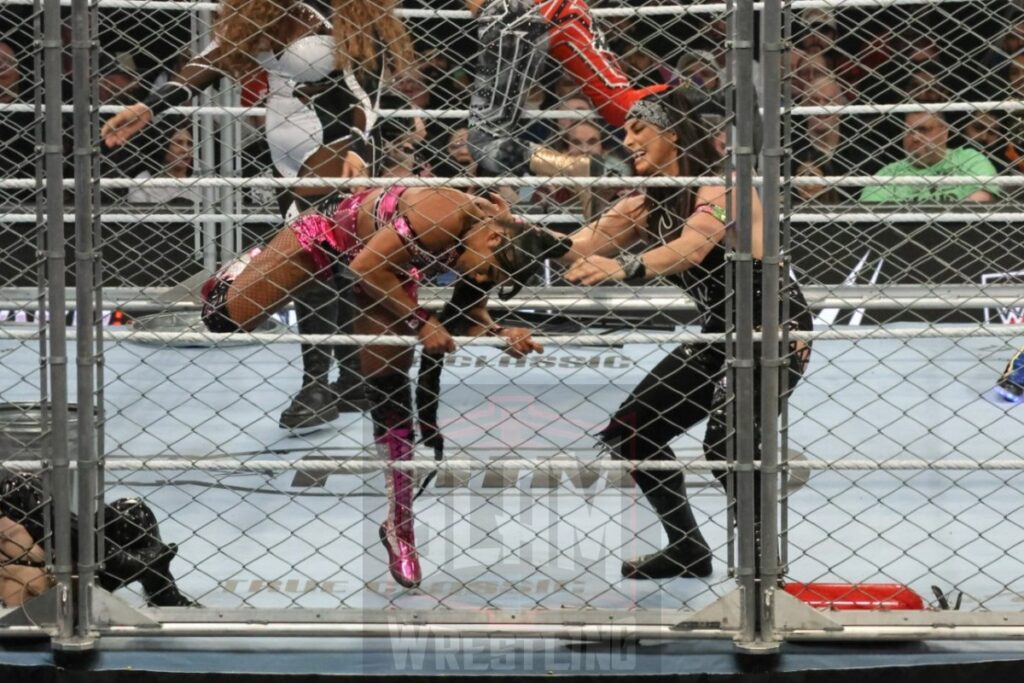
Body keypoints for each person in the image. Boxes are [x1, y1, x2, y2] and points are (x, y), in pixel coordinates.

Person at [198, 186, 566, 587]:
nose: (481, 278)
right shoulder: (441, 215)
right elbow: (363, 265)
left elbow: (466, 314)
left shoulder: (499, 243)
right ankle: (249, 264)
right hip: (332, 237)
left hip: (388, 272)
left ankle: (400, 527)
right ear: (493, 238)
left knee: (390, 389)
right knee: (222, 318)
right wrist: (422, 322)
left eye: (492, 278)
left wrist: (501, 332)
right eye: (489, 271)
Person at [100, 0, 417, 431]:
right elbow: (213, 57)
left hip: (336, 145)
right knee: (334, 258)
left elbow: (367, 89)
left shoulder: (346, 9)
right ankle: (353, 376)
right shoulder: (260, 9)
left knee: (310, 253)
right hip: (283, 147)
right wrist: (152, 106)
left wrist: (359, 145)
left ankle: (317, 386)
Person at [554, 85, 813, 579]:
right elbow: (578, 245)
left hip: (773, 328)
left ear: (672, 132)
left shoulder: (723, 187)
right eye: (625, 130)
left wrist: (621, 268)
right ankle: (689, 548)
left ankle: (761, 563)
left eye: (639, 129)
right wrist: (507, 230)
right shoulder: (645, 204)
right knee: (632, 432)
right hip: (719, 329)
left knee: (727, 441)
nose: (627, 140)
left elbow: (689, 250)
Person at [464, 0, 670, 176]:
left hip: (512, 14)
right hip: (567, 9)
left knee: (484, 141)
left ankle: (577, 167)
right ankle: (691, 103)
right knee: (620, 107)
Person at [0, 473, 198, 607]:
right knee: (17, 487)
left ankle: (165, 597)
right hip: (24, 596)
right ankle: (114, 561)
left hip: (61, 572)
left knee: (130, 515)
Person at [861, 111, 999, 203]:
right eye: (909, 131)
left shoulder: (969, 159)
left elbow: (981, 200)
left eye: (924, 130)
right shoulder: (889, 173)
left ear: (945, 133)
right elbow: (869, 217)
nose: (915, 138)